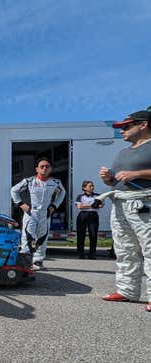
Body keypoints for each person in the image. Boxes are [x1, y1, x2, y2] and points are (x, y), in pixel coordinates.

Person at [98, 110, 151, 313]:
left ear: (143, 124)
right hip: (120, 203)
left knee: (149, 249)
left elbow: (132, 175)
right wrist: (107, 178)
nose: (122, 131)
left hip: (144, 202)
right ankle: (126, 290)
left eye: (126, 126)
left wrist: (136, 173)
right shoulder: (123, 152)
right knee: (124, 249)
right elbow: (113, 180)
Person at [10, 157, 66, 271]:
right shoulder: (29, 181)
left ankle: (38, 261)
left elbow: (62, 193)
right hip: (31, 213)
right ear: (37, 169)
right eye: (42, 166)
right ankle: (25, 262)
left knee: (42, 237)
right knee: (27, 237)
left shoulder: (55, 183)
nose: (44, 168)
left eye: (47, 166)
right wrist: (21, 204)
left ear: (50, 169)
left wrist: (54, 206)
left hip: (45, 214)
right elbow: (14, 190)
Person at [75, 180, 103, 259]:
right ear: (84, 188)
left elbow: (101, 205)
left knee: (93, 235)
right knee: (81, 234)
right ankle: (81, 253)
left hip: (93, 215)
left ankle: (92, 254)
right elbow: (79, 206)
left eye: (92, 185)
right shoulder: (80, 196)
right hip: (83, 215)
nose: (92, 187)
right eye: (90, 186)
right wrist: (92, 205)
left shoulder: (98, 196)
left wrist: (86, 205)